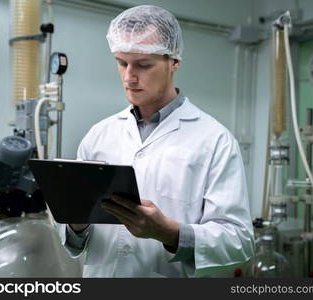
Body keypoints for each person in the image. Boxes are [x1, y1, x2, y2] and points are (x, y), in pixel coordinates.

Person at [61, 5, 254, 277]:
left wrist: (168, 232)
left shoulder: (215, 140)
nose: (129, 76)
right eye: (121, 62)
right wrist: (76, 225)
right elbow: (75, 244)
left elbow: (239, 242)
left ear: (174, 62)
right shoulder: (99, 135)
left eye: (143, 65)